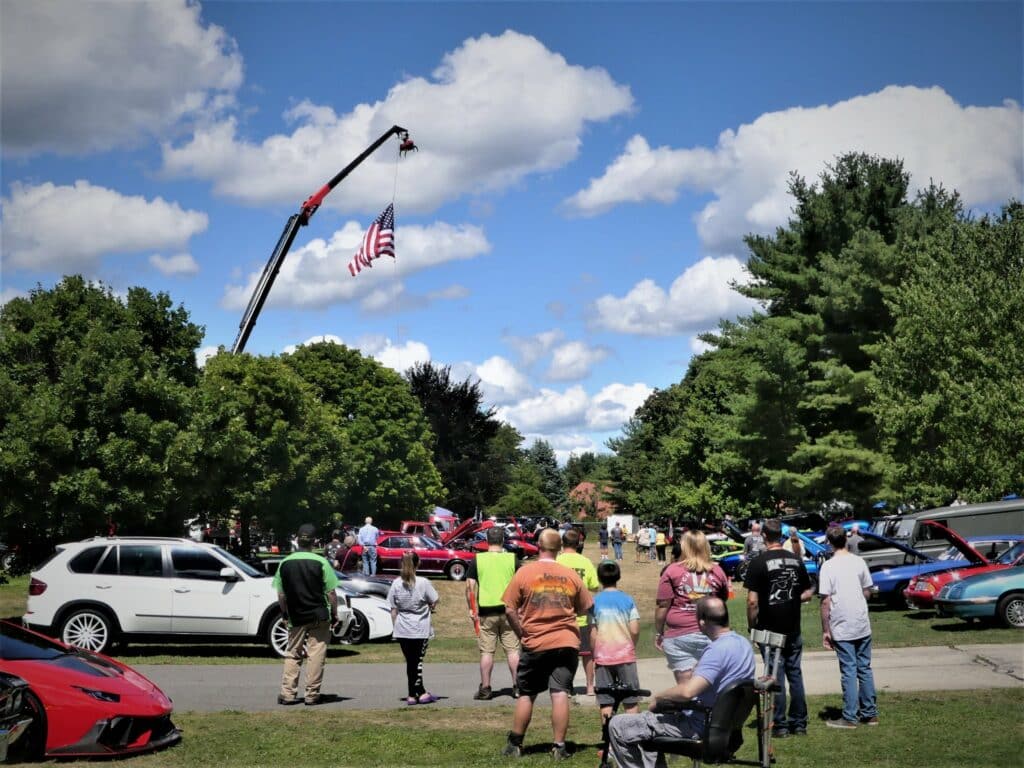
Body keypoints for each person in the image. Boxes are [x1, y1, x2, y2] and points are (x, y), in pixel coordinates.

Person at [608, 597, 755, 768]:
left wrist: (659, 697)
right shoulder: (743, 644)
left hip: (699, 726)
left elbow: (688, 692)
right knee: (644, 728)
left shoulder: (717, 650)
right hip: (724, 725)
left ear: (701, 622)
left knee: (618, 725)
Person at [501, 529, 594, 760]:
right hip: (566, 642)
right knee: (560, 693)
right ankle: (559, 746)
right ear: (559, 547)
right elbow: (585, 607)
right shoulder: (570, 575)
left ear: (538, 546)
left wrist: (520, 632)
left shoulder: (525, 572)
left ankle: (515, 744)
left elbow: (509, 608)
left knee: (527, 693)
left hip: (536, 641)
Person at [744, 518, 814, 738]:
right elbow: (807, 591)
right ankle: (799, 724)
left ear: (764, 535)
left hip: (770, 629)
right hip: (793, 627)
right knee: (795, 675)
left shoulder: (758, 562)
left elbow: (752, 601)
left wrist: (751, 627)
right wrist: (794, 600)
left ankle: (781, 725)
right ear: (781, 536)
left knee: (776, 676)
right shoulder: (795, 560)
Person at [273, 523, 340, 706]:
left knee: (293, 653)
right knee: (316, 654)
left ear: (297, 540)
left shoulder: (284, 563)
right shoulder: (321, 562)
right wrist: (335, 614)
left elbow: (281, 594)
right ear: (314, 541)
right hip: (318, 614)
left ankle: (287, 693)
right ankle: (311, 694)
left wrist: (284, 613)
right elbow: (331, 593)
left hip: (296, 614)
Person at [819, 525, 878, 728]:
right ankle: (870, 713)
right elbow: (867, 590)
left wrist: (826, 630)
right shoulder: (859, 561)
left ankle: (850, 716)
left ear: (829, 542)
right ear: (846, 539)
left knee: (849, 670)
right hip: (861, 621)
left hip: (842, 623)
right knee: (864, 668)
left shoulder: (828, 566)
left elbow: (825, 600)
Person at [655, 531, 730, 683]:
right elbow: (722, 600)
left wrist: (658, 632)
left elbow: (663, 605)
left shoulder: (672, 570)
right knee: (710, 683)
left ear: (684, 547)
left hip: (679, 635)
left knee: (686, 687)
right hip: (711, 633)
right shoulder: (717, 571)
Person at [466, 527, 521, 700]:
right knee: (512, 650)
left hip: (486, 611)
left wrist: (471, 608)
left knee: (487, 652)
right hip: (509, 610)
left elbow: (470, 587)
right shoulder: (512, 559)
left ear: (487, 541)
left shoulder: (478, 559)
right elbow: (522, 585)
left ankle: (486, 688)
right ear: (502, 540)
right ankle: (518, 686)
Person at [592, 561, 642, 732]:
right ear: (618, 577)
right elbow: (634, 629)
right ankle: (634, 738)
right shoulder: (628, 600)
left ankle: (608, 742)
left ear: (599, 578)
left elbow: (592, 632)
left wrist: (594, 651)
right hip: (625, 656)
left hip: (603, 657)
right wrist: (631, 645)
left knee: (606, 701)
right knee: (631, 700)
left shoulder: (595, 601)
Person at [388, 551, 440, 705]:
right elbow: (435, 599)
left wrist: (395, 627)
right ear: (417, 564)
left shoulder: (396, 583)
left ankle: (417, 692)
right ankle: (417, 693)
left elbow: (393, 608)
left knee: (411, 661)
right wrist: (430, 606)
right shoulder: (423, 582)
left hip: (402, 627)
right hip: (419, 627)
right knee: (417, 662)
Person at [557, 528, 600, 700]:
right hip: (582, 615)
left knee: (564, 655)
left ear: (562, 543)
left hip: (560, 615)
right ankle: (590, 686)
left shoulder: (557, 561)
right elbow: (595, 586)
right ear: (578, 544)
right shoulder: (585, 562)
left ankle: (566, 686)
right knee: (587, 654)